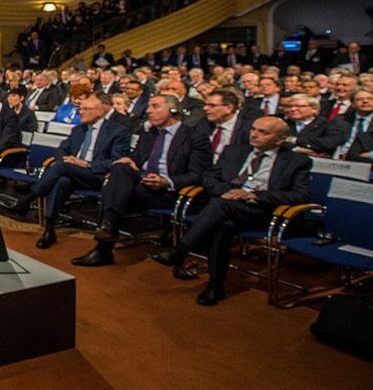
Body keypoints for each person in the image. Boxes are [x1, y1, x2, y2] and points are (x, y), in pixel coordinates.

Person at [151, 117, 312, 306]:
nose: (254, 134)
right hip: (227, 205)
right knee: (223, 225)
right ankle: (215, 285)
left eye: (263, 132)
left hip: (264, 212)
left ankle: (181, 251)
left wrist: (253, 195)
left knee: (219, 207)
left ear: (280, 139)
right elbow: (209, 177)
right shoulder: (235, 151)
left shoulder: (297, 161)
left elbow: (300, 196)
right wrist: (228, 192)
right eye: (253, 129)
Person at [72, 95, 211, 266]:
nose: (148, 111)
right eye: (148, 106)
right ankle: (107, 231)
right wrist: (129, 159)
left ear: (173, 110)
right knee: (120, 167)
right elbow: (136, 157)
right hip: (143, 181)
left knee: (117, 191)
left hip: (169, 191)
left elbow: (197, 174)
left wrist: (167, 181)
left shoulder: (194, 136)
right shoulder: (149, 133)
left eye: (155, 106)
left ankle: (104, 243)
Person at [9, 95, 131, 248]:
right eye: (80, 109)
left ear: (100, 112)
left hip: (99, 176)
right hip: (71, 172)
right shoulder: (78, 130)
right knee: (62, 181)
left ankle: (28, 198)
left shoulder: (117, 131)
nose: (81, 112)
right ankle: (49, 229)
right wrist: (67, 159)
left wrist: (86, 164)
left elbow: (117, 162)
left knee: (61, 168)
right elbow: (60, 150)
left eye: (86, 109)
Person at [196, 88, 252, 163]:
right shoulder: (203, 124)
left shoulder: (246, 130)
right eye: (205, 104)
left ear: (229, 108)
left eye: (212, 105)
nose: (205, 108)